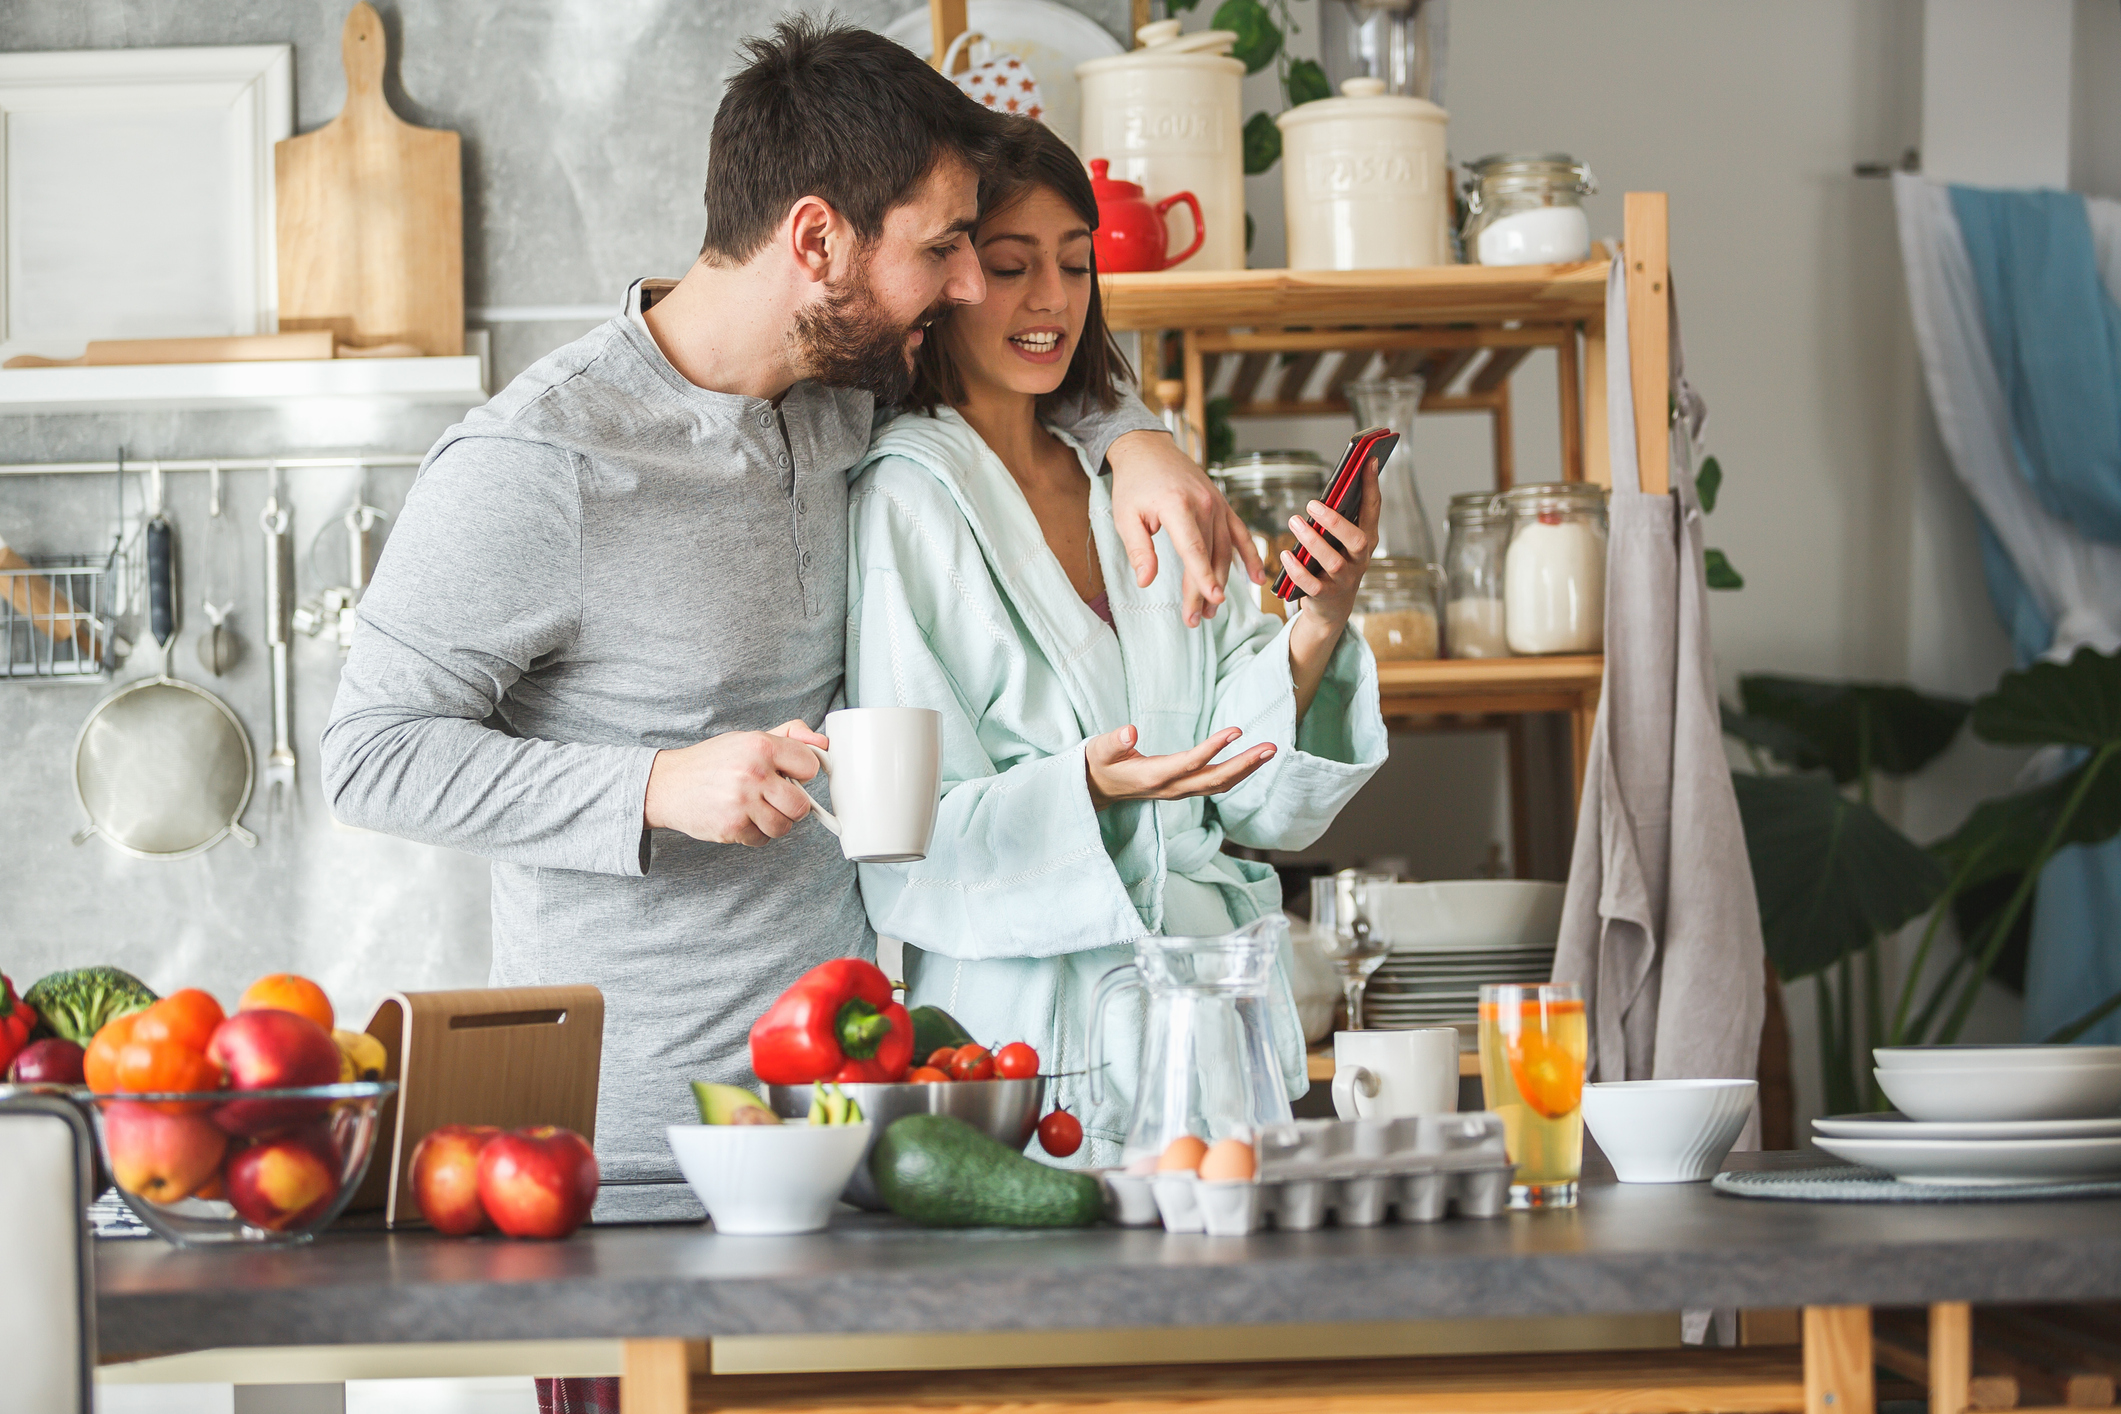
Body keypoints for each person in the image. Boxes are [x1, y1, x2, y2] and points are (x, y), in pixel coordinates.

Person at [320, 20, 1258, 1201]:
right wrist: (656, 786)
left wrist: (1137, 438)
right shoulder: (540, 457)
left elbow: (1024, 370)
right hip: (629, 1157)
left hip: (858, 1127)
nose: (971, 285)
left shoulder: (846, 392)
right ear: (816, 238)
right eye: (945, 250)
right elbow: (368, 756)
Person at [846, 119, 1390, 1167]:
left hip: (1207, 1021)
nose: (1050, 299)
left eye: (1076, 264)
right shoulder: (903, 502)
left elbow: (1244, 783)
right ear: (949, 278)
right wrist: (1081, 789)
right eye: (1010, 266)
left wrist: (1320, 613)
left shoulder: (1136, 481)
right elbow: (898, 838)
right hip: (1032, 1041)